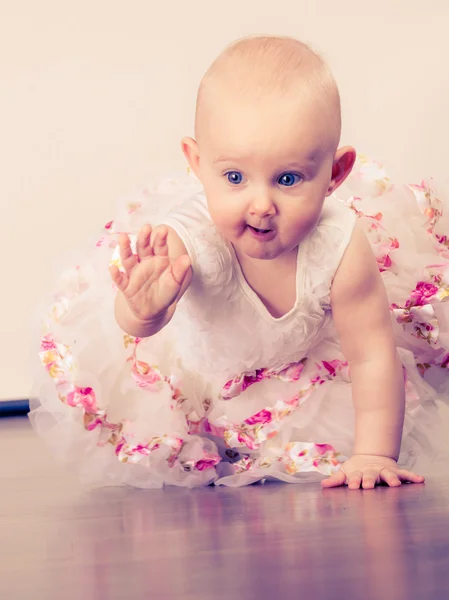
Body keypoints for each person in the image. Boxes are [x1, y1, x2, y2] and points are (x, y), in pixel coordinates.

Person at [30, 35, 449, 489]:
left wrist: (372, 453)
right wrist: (142, 310)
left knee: (359, 409)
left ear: (335, 174)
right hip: (198, 374)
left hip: (298, 366)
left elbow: (370, 355)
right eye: (234, 177)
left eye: (288, 179)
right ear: (196, 162)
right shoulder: (185, 236)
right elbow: (139, 329)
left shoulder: (340, 246)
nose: (261, 204)